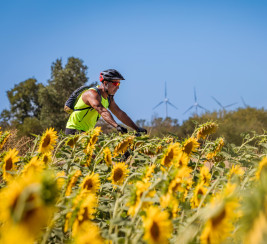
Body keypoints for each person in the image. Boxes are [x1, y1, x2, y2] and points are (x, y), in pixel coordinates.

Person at [65, 69, 147, 135]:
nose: (117, 87)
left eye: (119, 84)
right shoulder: (92, 94)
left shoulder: (108, 98)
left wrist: (137, 128)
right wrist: (116, 126)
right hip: (74, 130)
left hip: (87, 132)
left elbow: (120, 114)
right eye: (115, 83)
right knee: (101, 151)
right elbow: (102, 111)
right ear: (105, 83)